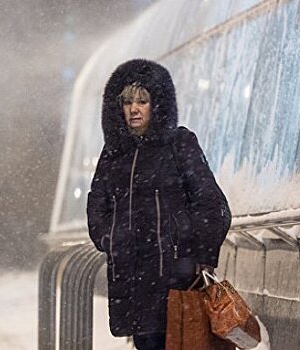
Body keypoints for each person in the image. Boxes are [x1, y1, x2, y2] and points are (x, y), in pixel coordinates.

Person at [87, 59, 231, 350]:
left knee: (183, 341)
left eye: (142, 101)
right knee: (146, 343)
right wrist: (113, 238)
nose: (134, 109)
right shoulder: (113, 154)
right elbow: (96, 207)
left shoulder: (179, 143)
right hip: (132, 279)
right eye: (127, 102)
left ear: (157, 105)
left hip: (177, 278)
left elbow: (212, 205)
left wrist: (196, 253)